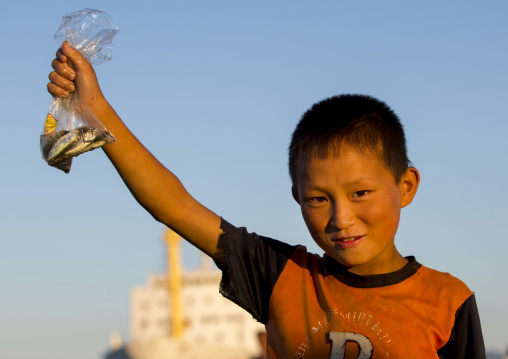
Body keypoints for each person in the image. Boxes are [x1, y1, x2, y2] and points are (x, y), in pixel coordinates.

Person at [47, 41, 486, 358]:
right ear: (296, 196)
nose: (340, 217)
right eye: (317, 199)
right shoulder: (283, 277)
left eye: (360, 193)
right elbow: (173, 205)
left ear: (406, 186)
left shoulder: (449, 302)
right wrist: (94, 109)